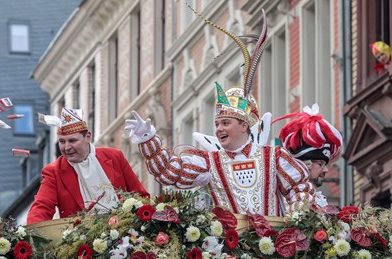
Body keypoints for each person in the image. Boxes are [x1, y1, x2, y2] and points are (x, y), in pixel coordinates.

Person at [125, 11, 317, 216]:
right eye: (217, 124)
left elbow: (300, 187)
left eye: (225, 123)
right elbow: (170, 173)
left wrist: (296, 219)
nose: (218, 129)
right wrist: (148, 140)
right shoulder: (210, 163)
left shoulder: (273, 156)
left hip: (273, 245)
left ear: (244, 125)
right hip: (228, 246)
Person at [27, 108, 148, 224]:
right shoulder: (53, 172)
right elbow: (41, 207)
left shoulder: (114, 156)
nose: (67, 147)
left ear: (88, 137)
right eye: (62, 142)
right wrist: (32, 235)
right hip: (82, 243)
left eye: (72, 141)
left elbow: (140, 196)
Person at [273, 104, 343, 206]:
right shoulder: (287, 200)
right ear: (304, 165)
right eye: (320, 164)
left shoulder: (317, 199)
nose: (326, 170)